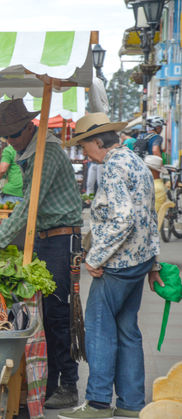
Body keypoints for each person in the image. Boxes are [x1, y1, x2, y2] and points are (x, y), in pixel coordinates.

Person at [0, 99, 83, 409]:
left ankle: (68, 385)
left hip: (62, 241)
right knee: (47, 315)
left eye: (13, 136)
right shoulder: (31, 151)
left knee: (60, 315)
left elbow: (29, 206)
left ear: (29, 128)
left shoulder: (45, 154)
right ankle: (48, 383)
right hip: (47, 239)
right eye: (6, 137)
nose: (9, 142)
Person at [58, 113, 159, 419]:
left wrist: (95, 256)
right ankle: (130, 403)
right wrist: (153, 261)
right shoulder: (135, 160)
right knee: (128, 330)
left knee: (100, 331)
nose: (84, 153)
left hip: (117, 263)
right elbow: (149, 214)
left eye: (84, 145)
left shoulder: (114, 167)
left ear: (98, 142)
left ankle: (99, 402)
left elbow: (123, 218)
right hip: (138, 261)